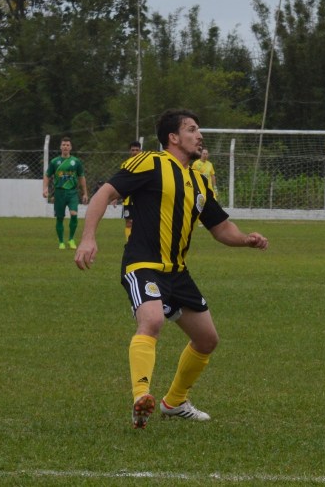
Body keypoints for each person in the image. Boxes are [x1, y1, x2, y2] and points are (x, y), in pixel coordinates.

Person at [74, 109, 269, 429]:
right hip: (143, 265)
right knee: (151, 320)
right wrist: (88, 238)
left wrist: (246, 240)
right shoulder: (150, 162)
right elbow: (105, 193)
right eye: (192, 129)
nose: (199, 135)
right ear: (173, 138)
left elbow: (221, 229)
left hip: (177, 273)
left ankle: (175, 402)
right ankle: (141, 397)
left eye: (199, 129)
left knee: (207, 340)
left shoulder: (200, 182)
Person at [42, 136, 89, 249]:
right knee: (60, 218)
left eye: (67, 145)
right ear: (60, 147)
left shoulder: (76, 162)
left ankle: (71, 239)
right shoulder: (54, 162)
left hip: (72, 192)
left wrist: (85, 193)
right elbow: (47, 175)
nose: (65, 147)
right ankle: (61, 242)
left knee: (74, 214)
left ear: (71, 147)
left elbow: (81, 177)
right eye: (63, 145)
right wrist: (45, 188)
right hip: (59, 193)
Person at [120, 141, 142, 241]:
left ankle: (140, 242)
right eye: (133, 150)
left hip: (141, 198)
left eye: (137, 150)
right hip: (128, 199)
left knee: (141, 222)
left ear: (140, 151)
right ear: (130, 151)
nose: (135, 152)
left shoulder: (145, 164)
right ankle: (129, 243)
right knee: (128, 222)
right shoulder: (125, 165)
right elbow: (121, 182)